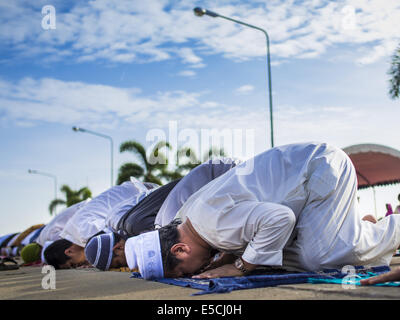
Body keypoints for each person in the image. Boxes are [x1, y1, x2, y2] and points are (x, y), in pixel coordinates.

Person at [124, 142, 400, 280]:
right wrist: (230, 258)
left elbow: (281, 218)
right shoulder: (193, 219)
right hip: (313, 173)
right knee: (283, 259)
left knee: (320, 257)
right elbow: (246, 225)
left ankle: (394, 227)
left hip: (321, 169)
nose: (194, 274)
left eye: (185, 272)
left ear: (180, 250)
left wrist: (240, 266)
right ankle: (361, 230)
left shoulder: (212, 226)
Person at [84, 158, 239, 271]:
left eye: (118, 263)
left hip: (227, 174)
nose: (125, 267)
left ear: (117, 248)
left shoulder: (147, 226)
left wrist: (233, 262)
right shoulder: (124, 222)